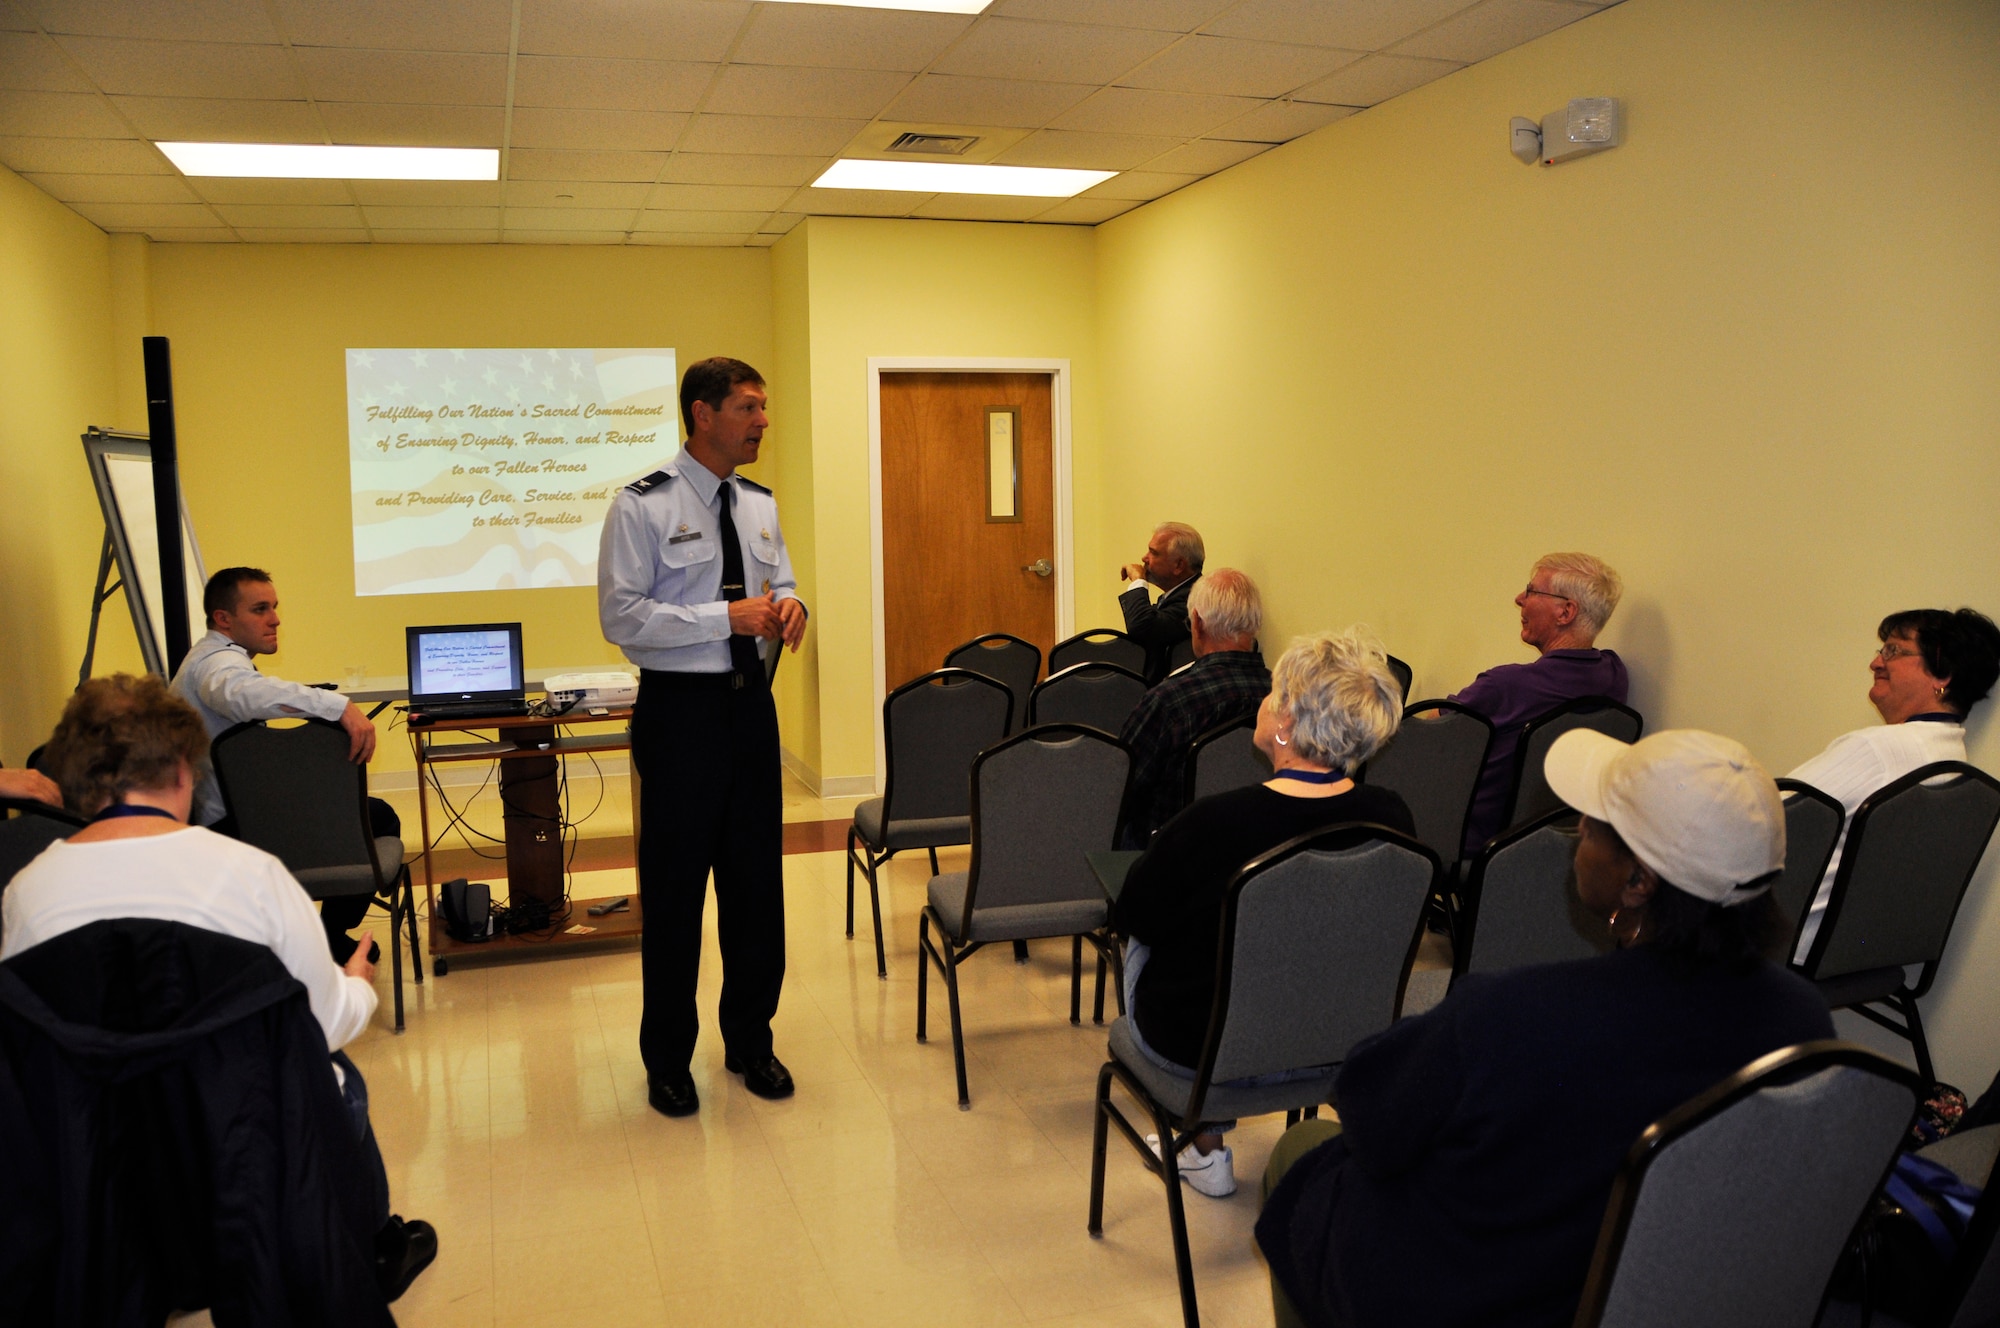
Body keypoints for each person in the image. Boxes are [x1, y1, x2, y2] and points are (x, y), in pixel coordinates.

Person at [1256, 728, 1833, 1328]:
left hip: (1487, 1301)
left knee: (1302, 1159)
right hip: (1649, 1298)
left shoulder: (1512, 1013)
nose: (1580, 829)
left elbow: (1371, 1112)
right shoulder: (1801, 1018)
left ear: (1638, 883)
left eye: (1597, 823)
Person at [0, 674, 437, 1301]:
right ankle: (371, 1249)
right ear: (185, 769)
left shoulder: (27, 891)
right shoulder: (251, 874)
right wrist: (358, 984)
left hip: (104, 1148)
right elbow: (323, 1026)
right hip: (244, 1140)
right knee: (339, 1076)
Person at [1112, 629, 1415, 1199]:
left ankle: (1203, 1147)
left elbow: (1137, 918)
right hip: (1338, 1040)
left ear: (1285, 723)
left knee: (1145, 935)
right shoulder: (1393, 817)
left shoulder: (1209, 823)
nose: (1264, 700)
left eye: (1274, 692)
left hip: (1202, 1055)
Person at [598, 356, 807, 1119]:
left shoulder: (756, 502)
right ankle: (668, 1061)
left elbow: (780, 583)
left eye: (762, 407)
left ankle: (752, 1040)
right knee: (678, 894)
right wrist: (727, 618)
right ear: (702, 414)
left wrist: (791, 610)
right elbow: (623, 620)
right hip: (680, 716)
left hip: (752, 712)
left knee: (757, 891)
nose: (761, 421)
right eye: (749, 407)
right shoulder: (642, 506)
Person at [169, 566, 390, 963]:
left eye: (274, 607)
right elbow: (240, 694)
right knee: (378, 818)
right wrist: (337, 706)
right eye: (259, 609)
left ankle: (319, 936)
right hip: (228, 828)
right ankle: (325, 937)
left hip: (234, 815)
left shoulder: (211, 657)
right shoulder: (215, 664)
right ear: (224, 619)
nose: (275, 619)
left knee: (369, 814)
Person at [1786, 608, 2000, 963]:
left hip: (1794, 946)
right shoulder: (1956, 767)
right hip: (1866, 956)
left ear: (1943, 674)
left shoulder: (1879, 750)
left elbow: (1763, 816)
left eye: (1893, 651)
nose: (1875, 663)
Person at [1449, 551, 1628, 857]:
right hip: (1557, 850)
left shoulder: (1504, 686)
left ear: (1565, 612)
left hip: (1474, 844)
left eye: (1532, 591)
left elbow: (1429, 735)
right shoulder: (1613, 675)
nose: (1519, 599)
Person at [1114, 568, 1271, 849]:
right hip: (1265, 848)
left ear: (1196, 623)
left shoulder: (1168, 701)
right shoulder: (1292, 697)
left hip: (1177, 854)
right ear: (1255, 625)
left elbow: (1120, 788)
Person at [1119, 522, 1204, 682]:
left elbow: (1141, 626)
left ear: (1178, 565)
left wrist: (1138, 581)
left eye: (1154, 553)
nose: (1144, 558)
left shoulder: (1195, 599)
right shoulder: (1177, 595)